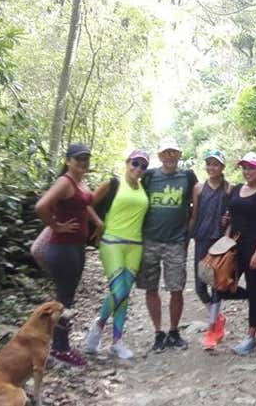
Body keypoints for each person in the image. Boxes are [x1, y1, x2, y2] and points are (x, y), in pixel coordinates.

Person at [35, 142, 100, 367]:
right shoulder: (65, 181)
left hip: (75, 247)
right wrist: (56, 226)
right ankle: (60, 349)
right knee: (64, 300)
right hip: (62, 247)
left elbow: (85, 205)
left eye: (85, 159)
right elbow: (41, 206)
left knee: (67, 299)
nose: (82, 162)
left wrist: (97, 222)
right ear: (68, 160)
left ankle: (59, 346)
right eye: (78, 158)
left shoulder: (80, 183)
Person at [84, 150, 150, 360]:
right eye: (135, 163)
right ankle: (99, 325)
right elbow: (87, 204)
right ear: (127, 162)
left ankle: (116, 342)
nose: (138, 168)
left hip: (135, 245)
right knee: (119, 290)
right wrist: (98, 223)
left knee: (125, 293)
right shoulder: (113, 183)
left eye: (143, 166)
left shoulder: (143, 188)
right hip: (111, 242)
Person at [136, 138, 198, 352]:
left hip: (175, 241)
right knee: (150, 287)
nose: (170, 156)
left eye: (173, 152)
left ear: (179, 155)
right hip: (150, 240)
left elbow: (198, 201)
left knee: (176, 288)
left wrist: (188, 235)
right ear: (160, 156)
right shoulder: (150, 176)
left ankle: (173, 331)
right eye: (166, 153)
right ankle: (158, 332)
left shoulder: (188, 177)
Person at [226, 152, 256, 355]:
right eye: (244, 168)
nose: (247, 171)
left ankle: (251, 337)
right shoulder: (236, 189)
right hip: (234, 247)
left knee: (253, 289)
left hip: (253, 246)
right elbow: (230, 217)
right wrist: (225, 243)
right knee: (224, 287)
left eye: (251, 168)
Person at [189, 149, 230, 349]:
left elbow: (233, 214)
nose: (212, 167)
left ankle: (213, 329)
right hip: (202, 239)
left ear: (222, 167)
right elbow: (195, 214)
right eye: (209, 163)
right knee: (199, 286)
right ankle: (217, 317)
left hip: (219, 242)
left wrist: (229, 229)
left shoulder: (228, 188)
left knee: (216, 286)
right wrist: (188, 235)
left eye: (216, 164)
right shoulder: (198, 188)